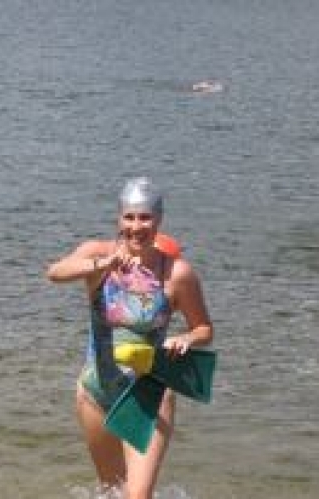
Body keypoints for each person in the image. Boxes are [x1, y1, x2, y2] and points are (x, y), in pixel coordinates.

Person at [46, 177, 213, 499]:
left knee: (138, 496)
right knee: (112, 491)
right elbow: (54, 272)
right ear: (119, 219)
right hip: (95, 390)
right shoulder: (98, 255)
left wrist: (187, 339)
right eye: (130, 217)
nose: (137, 226)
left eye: (145, 217)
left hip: (150, 393)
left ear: (159, 220)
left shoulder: (177, 273)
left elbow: (204, 328)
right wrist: (102, 264)